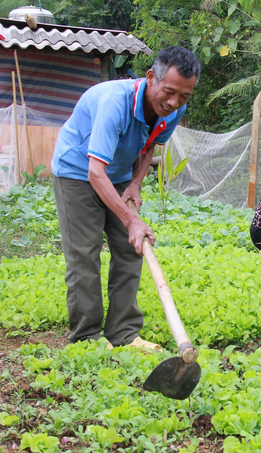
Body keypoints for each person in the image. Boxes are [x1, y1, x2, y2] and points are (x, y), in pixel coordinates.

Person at [51, 46, 201, 349]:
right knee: (85, 253)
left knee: (131, 249)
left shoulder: (174, 109)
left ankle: (123, 332)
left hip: (118, 175)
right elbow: (95, 172)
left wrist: (135, 183)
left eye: (184, 96)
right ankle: (87, 337)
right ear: (150, 78)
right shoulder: (114, 103)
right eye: (170, 92)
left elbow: (149, 146)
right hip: (77, 172)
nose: (174, 103)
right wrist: (131, 218)